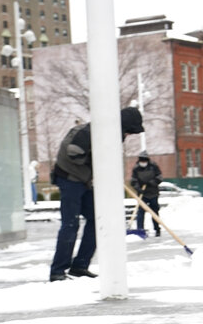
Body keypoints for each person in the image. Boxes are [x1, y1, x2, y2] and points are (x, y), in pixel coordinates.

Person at [48, 107, 145, 282]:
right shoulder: (89, 131)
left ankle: (79, 266)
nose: (129, 135)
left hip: (84, 180)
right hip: (69, 179)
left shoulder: (114, 134)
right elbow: (73, 152)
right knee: (71, 224)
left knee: (97, 218)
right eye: (129, 131)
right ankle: (58, 271)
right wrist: (97, 166)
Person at [130, 151, 163, 237]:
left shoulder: (153, 167)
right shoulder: (136, 168)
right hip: (142, 194)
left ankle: (157, 229)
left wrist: (152, 182)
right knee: (141, 212)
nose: (143, 162)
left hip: (153, 193)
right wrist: (138, 188)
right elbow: (133, 181)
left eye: (144, 160)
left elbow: (159, 177)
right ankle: (140, 230)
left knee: (154, 212)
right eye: (141, 160)